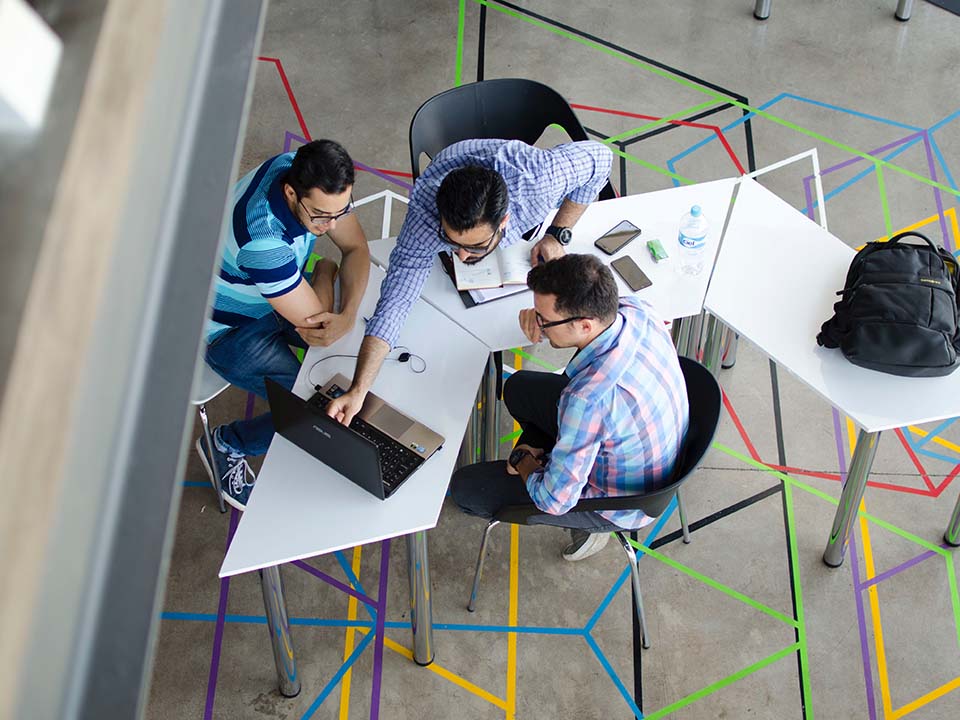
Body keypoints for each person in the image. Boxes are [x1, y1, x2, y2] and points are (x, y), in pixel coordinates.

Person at [321, 138, 613, 427]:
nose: (460, 256)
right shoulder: (426, 214)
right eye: (451, 241)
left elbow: (601, 158)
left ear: (504, 222)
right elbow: (395, 300)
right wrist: (359, 390)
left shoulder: (539, 181)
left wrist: (557, 232)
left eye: (474, 247)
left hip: (519, 174)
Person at [449, 254, 689, 561]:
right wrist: (537, 315)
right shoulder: (636, 310)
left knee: (466, 488)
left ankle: (589, 529)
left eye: (544, 321)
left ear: (584, 325)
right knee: (519, 388)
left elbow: (553, 500)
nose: (539, 325)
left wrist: (523, 459)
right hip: (649, 448)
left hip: (619, 502)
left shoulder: (587, 400)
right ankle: (555, 456)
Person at [197, 139, 370, 510]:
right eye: (321, 216)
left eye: (341, 211)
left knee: (349, 349)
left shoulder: (299, 167)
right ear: (291, 193)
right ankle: (228, 443)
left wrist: (349, 313)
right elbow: (319, 327)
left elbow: (356, 248)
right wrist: (325, 271)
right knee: (310, 407)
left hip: (273, 294)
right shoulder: (263, 243)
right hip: (229, 331)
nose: (332, 225)